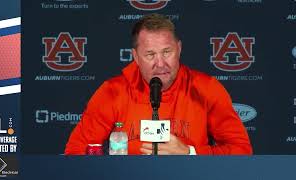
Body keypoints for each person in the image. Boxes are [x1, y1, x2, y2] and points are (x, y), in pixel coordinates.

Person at [65, 13, 252, 155]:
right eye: (150, 55)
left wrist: (189, 153)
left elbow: (241, 150)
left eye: (167, 52)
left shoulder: (206, 89)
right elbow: (76, 152)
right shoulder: (113, 91)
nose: (161, 63)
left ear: (179, 49)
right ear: (136, 57)